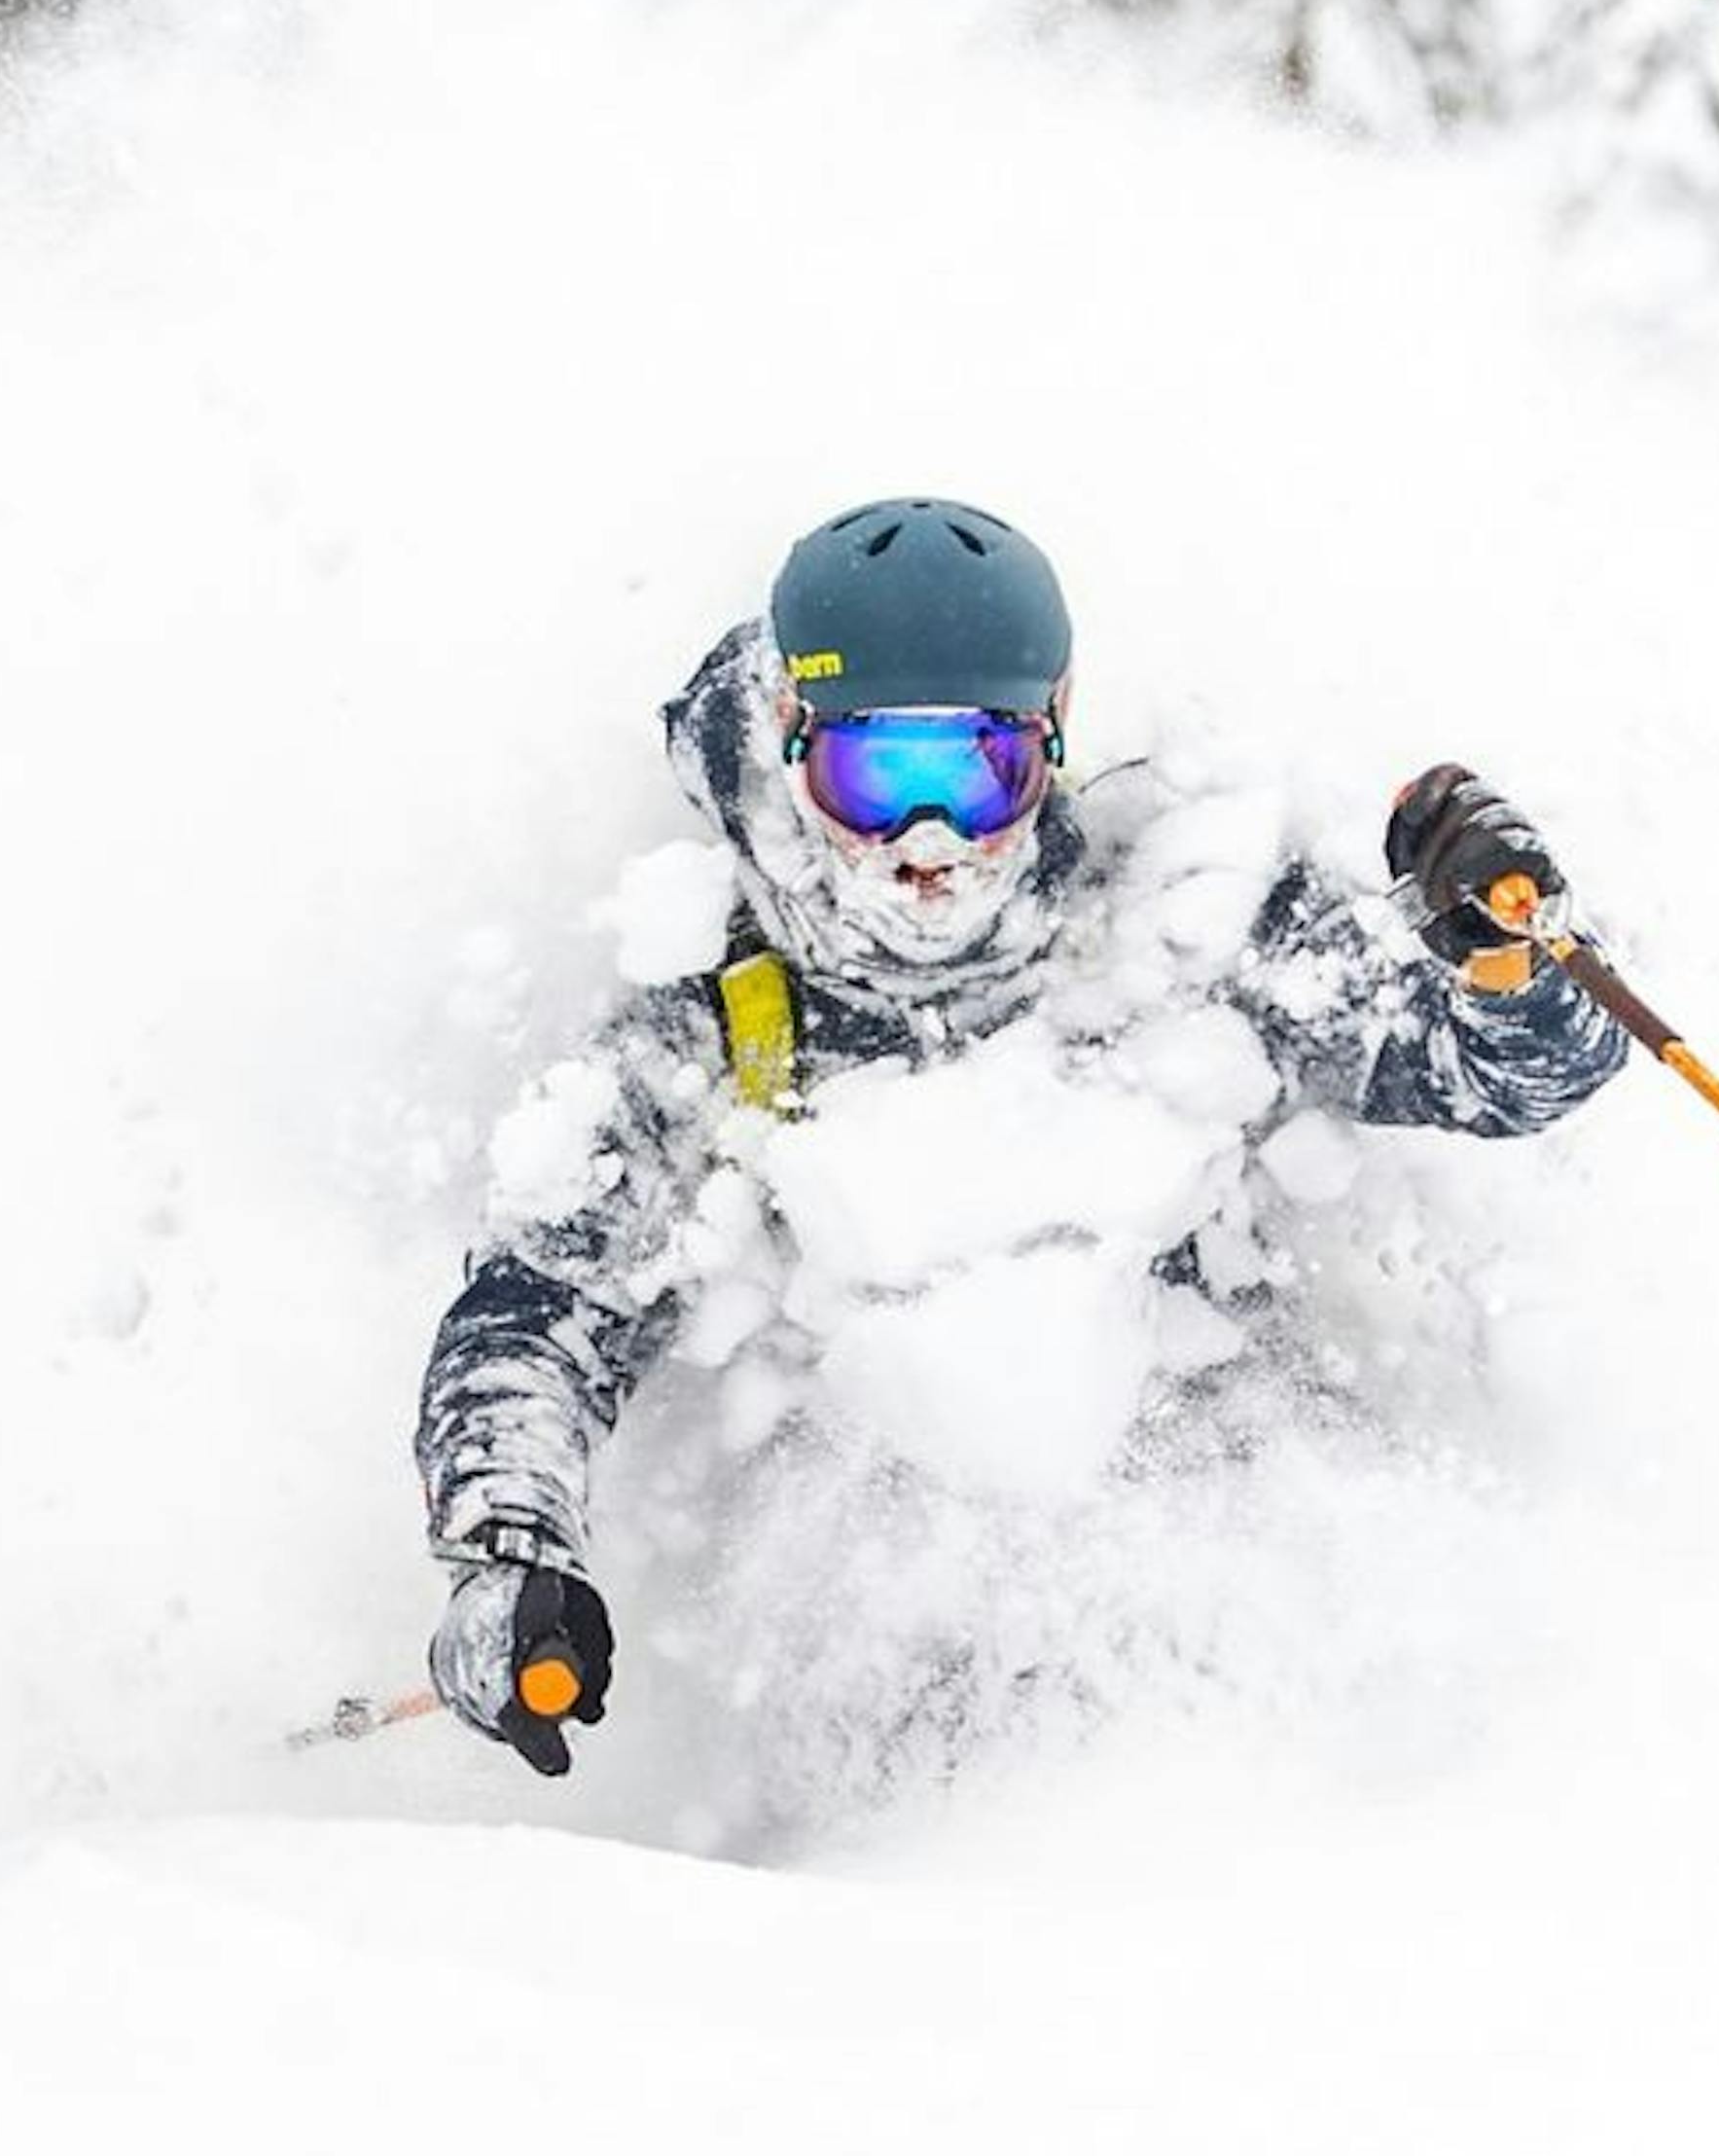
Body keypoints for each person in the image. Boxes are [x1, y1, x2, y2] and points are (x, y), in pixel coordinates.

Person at [416, 501, 1626, 1778]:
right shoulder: (722, 1009)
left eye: (976, 776)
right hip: (901, 1646)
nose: (928, 847)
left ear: (1050, 744)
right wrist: (513, 1550)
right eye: (877, 780)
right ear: (790, 742)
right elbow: (539, 1311)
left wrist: (1515, 950)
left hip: (1238, 1558)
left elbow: (1507, 1077)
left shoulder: (1180, 918)